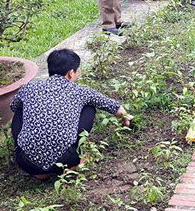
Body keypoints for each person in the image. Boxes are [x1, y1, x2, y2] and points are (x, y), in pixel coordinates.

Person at [10, 49, 132, 179]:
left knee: (20, 108)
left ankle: (40, 172)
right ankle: (75, 163)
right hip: (67, 158)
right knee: (90, 106)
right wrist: (126, 118)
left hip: (26, 162)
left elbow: (13, 106)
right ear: (70, 73)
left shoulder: (29, 88)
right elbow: (114, 107)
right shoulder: (81, 91)